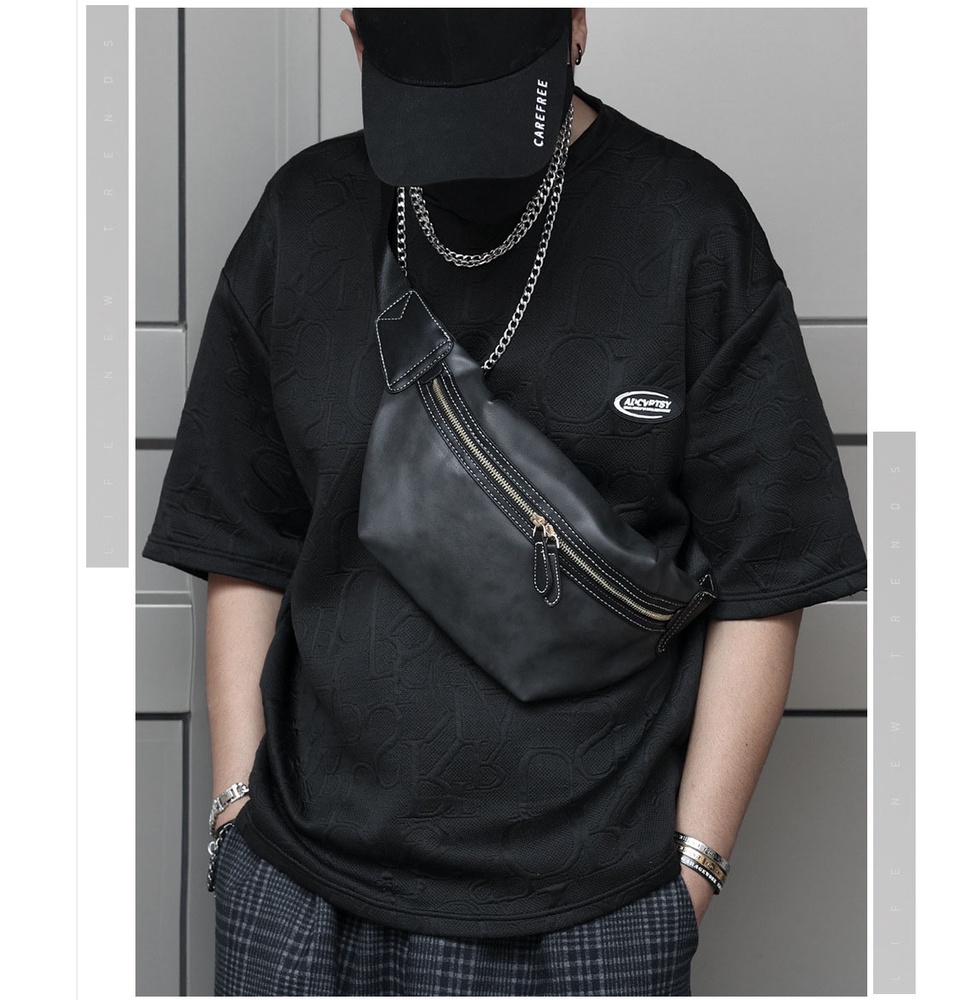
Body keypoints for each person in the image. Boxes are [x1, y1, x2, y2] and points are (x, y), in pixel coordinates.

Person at [143, 8, 867, 996]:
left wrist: (690, 874)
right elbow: (243, 538)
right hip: (303, 892)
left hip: (593, 913)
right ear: (356, 31)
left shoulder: (689, 227)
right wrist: (235, 814)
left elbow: (769, 570)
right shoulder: (302, 215)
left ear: (575, 22)